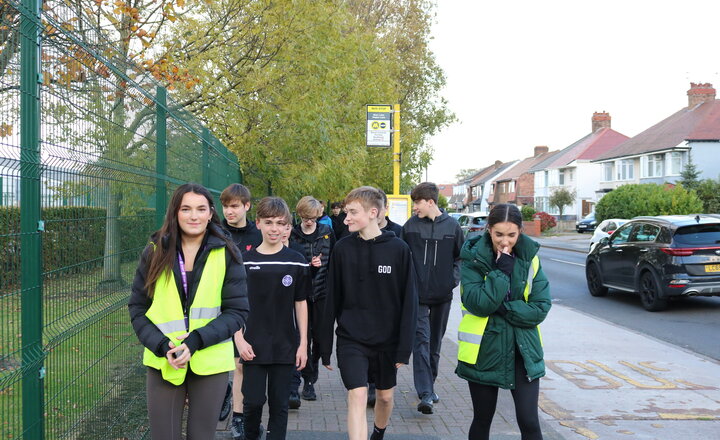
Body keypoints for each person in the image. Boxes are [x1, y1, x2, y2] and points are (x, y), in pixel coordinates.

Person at [129, 183, 249, 440]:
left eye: (200, 209)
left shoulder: (227, 252)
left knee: (201, 435)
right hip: (164, 358)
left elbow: (237, 311)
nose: (193, 216)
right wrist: (162, 346)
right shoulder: (153, 251)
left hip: (209, 359)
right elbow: (138, 308)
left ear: (210, 213)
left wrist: (195, 341)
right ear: (175, 213)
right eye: (186, 209)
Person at [319, 186, 417, 440]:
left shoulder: (399, 249)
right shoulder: (342, 249)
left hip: (388, 340)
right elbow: (332, 298)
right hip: (352, 339)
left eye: (352, 212)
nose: (345, 218)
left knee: (384, 397)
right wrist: (325, 346)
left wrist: (404, 348)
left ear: (373, 212)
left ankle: (378, 433)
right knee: (358, 394)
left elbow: (410, 303)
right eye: (346, 212)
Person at [457, 203, 551, 440]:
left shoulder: (531, 258)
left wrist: (502, 308)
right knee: (482, 419)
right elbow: (478, 303)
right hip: (484, 351)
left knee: (529, 421)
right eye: (499, 234)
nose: (505, 241)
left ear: (520, 231)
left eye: (511, 235)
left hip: (523, 351)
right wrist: (501, 271)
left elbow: (540, 308)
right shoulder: (473, 258)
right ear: (489, 230)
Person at [235, 196, 310, 440]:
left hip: (284, 346)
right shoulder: (243, 261)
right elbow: (233, 305)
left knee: (280, 406)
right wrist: (239, 340)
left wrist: (302, 345)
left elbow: (301, 304)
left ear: (288, 225)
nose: (274, 229)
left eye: (280, 223)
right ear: (258, 224)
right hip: (252, 346)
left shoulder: (296, 261)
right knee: (254, 403)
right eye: (268, 223)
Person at [400, 182, 464, 414]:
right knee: (421, 343)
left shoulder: (453, 227)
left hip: (442, 296)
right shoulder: (410, 227)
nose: (414, 207)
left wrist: (452, 280)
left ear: (430, 202)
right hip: (417, 297)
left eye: (417, 203)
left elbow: (460, 257)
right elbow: (402, 258)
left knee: (434, 345)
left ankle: (431, 385)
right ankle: (425, 393)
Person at [220, 183, 262, 437]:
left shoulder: (257, 235)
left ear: (247, 206)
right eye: (225, 206)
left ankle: (238, 417)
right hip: (215, 305)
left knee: (240, 365)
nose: (229, 211)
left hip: (245, 306)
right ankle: (222, 390)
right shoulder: (215, 233)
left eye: (234, 206)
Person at [288, 196, 336, 407]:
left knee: (320, 338)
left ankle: (311, 376)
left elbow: (334, 261)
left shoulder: (327, 233)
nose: (308, 221)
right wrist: (308, 266)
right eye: (305, 217)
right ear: (299, 215)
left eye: (312, 218)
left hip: (323, 294)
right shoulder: (293, 236)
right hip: (301, 295)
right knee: (301, 338)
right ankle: (303, 380)